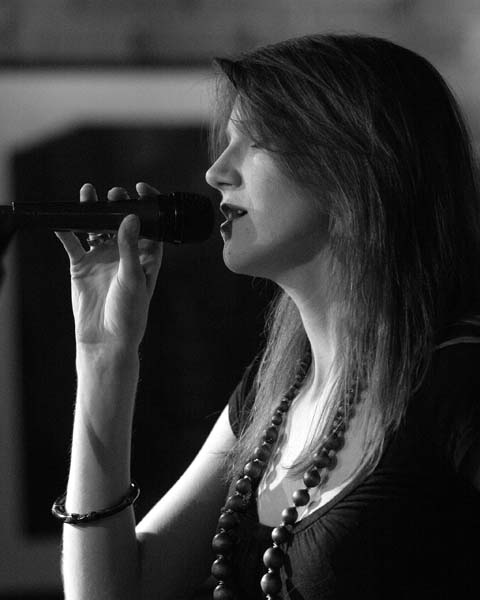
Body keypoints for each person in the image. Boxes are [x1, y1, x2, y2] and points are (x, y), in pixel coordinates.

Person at [54, 34, 480, 600]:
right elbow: (110, 593)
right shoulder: (270, 396)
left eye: (255, 142)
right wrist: (103, 357)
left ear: (356, 168)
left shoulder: (458, 381)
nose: (216, 173)